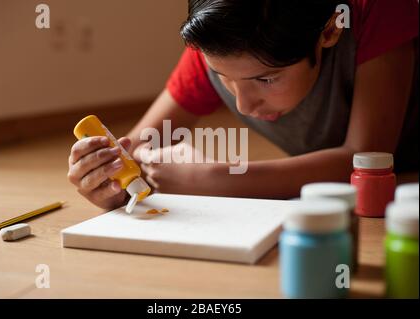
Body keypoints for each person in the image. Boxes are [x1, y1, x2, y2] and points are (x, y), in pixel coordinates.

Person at [67, 0, 419, 210]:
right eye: (222, 77)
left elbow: (368, 160)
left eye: (266, 79)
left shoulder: (375, 10)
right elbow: (139, 147)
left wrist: (219, 179)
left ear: (328, 32)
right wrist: (110, 179)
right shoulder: (218, 52)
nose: (244, 105)